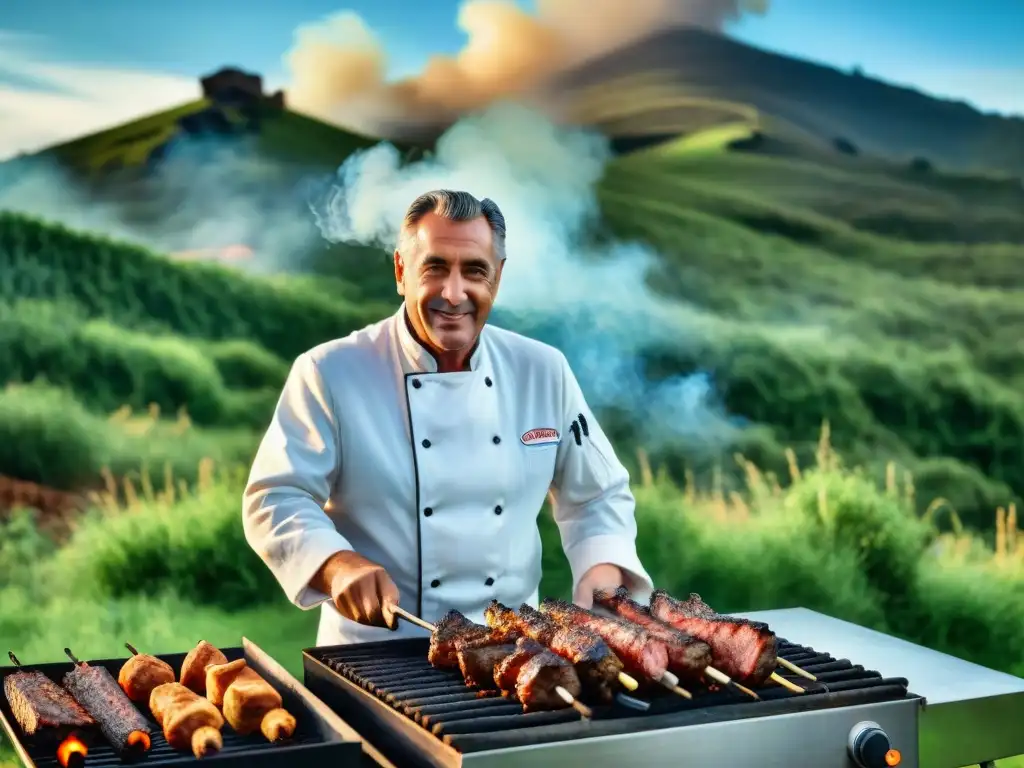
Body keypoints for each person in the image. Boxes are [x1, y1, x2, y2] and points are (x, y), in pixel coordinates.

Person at [242, 189, 653, 646]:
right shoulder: (330, 371)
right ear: (401, 271)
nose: (454, 294)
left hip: (515, 653)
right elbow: (276, 497)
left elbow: (598, 494)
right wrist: (336, 563)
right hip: (377, 652)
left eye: (474, 271)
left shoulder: (542, 370)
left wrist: (603, 564)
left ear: (497, 278)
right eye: (435, 267)